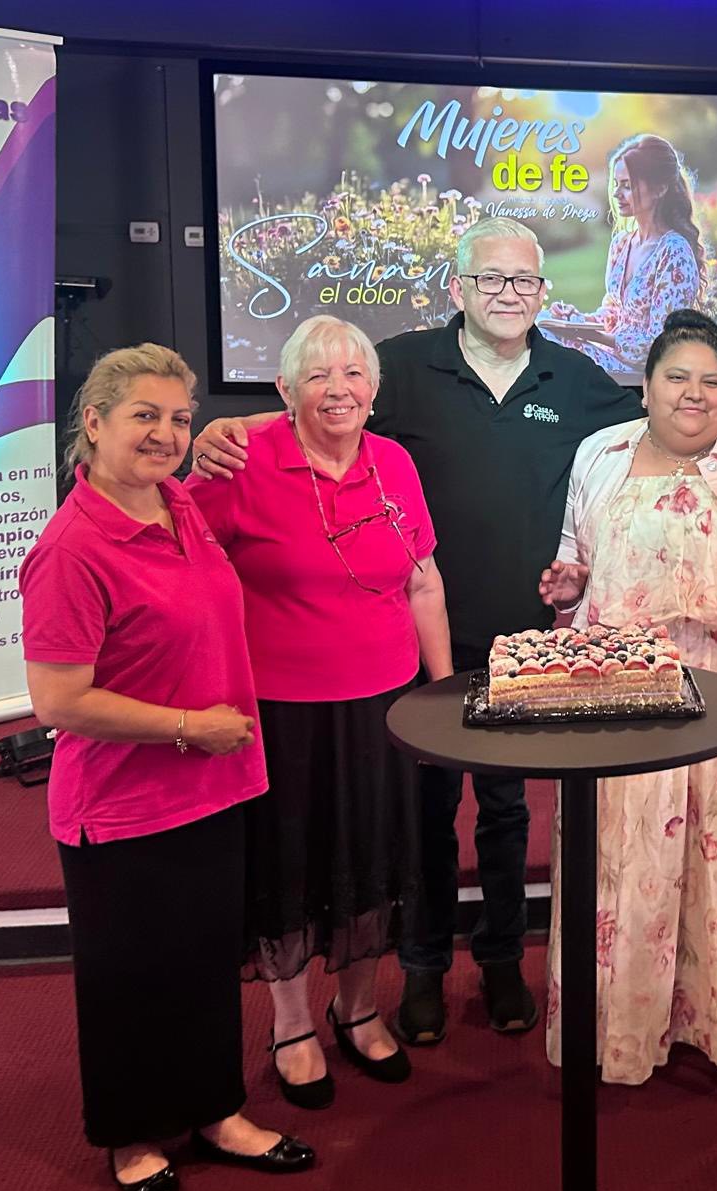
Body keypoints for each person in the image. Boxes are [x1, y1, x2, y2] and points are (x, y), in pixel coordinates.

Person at [190, 217, 717, 1049]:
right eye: (490, 279)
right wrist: (230, 429)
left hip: (528, 650)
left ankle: (503, 960)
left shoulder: (574, 377)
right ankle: (424, 968)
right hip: (421, 647)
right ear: (458, 288)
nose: (508, 294)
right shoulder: (403, 365)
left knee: (508, 817)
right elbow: (322, 410)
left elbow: (668, 414)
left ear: (543, 292)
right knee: (426, 815)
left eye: (523, 280)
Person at [19, 344, 313, 1191]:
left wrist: (242, 419)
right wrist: (188, 728)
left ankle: (217, 1111)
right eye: (144, 415)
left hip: (212, 788)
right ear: (93, 422)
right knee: (130, 981)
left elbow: (277, 419)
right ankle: (133, 1135)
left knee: (203, 966)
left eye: (180, 419)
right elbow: (58, 701)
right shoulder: (72, 547)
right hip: (122, 804)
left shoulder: (176, 501)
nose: (166, 434)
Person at [535, 309, 717, 1084]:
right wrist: (567, 587)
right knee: (626, 859)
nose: (693, 393)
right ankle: (626, 1023)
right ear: (645, 386)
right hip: (625, 696)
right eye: (676, 378)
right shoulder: (597, 454)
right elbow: (575, 560)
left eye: (711, 381)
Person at [187, 316, 451, 1110]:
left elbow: (424, 581)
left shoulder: (395, 462)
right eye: (317, 375)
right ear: (284, 390)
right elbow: (179, 568)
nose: (339, 389)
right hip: (281, 711)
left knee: (374, 861)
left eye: (353, 373)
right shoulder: (241, 461)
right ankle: (293, 1023)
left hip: (386, 703)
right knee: (290, 868)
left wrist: (442, 692)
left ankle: (358, 1007)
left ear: (375, 388)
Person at [545, 134, 705, 375]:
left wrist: (590, 336)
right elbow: (613, 314)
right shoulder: (622, 243)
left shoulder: (675, 253)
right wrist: (576, 320)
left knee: (549, 346)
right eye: (616, 184)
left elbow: (661, 343)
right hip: (612, 357)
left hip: (642, 371)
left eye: (628, 186)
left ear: (660, 188)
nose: (617, 194)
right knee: (543, 327)